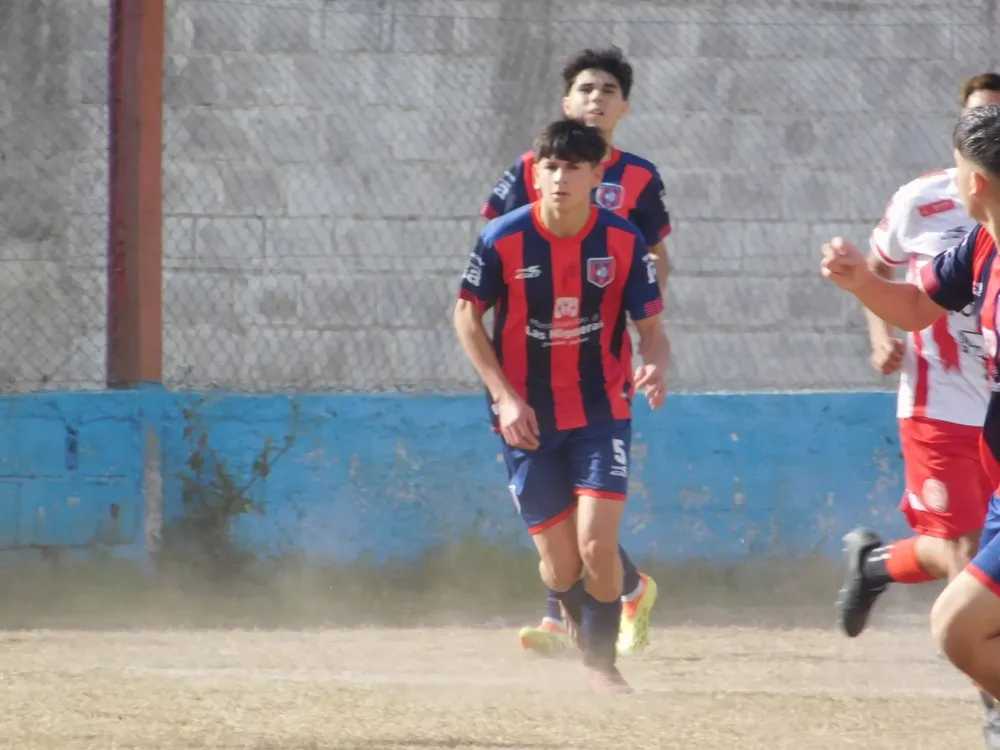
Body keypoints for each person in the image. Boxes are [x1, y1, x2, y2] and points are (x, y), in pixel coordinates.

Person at [455, 118, 671, 692]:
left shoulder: (622, 239)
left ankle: (602, 666)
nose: (558, 178)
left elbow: (651, 326)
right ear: (536, 172)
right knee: (559, 566)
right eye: (549, 167)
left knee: (598, 544)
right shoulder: (503, 237)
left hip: (602, 411)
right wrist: (504, 398)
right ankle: (590, 642)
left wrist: (654, 360)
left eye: (573, 168)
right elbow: (465, 316)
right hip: (526, 419)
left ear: (597, 175)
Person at [821, 104, 1000, 748]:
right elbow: (919, 304)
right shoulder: (981, 244)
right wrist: (860, 282)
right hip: (981, 452)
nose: (948, 182)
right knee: (956, 626)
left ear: (975, 183)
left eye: (957, 170)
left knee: (960, 602)